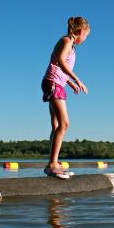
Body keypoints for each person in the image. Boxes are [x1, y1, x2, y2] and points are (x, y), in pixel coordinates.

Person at [41, 17, 90, 179]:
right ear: (81, 32)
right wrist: (77, 79)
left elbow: (58, 65)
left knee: (56, 125)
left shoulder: (69, 43)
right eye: (86, 36)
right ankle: (52, 164)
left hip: (55, 82)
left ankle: (52, 162)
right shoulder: (67, 40)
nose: (85, 39)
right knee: (64, 124)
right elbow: (61, 61)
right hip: (54, 83)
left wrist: (69, 83)